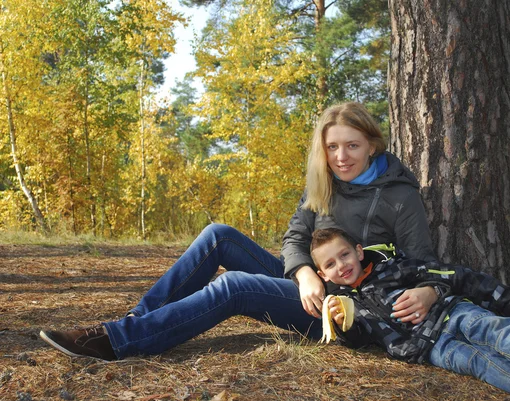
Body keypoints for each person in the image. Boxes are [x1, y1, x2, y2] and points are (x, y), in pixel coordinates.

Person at [39, 102, 439, 361]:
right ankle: (139, 322)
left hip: (346, 308)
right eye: (332, 148)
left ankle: (116, 341)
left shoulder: (399, 196)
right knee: (219, 234)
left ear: (371, 144)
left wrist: (429, 289)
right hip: (308, 286)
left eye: (351, 146)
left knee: (235, 287)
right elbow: (295, 237)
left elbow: (424, 264)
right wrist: (302, 274)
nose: (340, 157)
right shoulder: (324, 182)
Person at [310, 227, 510, 401]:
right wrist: (342, 324)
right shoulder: (344, 302)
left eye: (344, 255)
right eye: (331, 264)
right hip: (429, 348)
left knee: (489, 327)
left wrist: (504, 297)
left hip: (450, 311)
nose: (341, 266)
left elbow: (445, 274)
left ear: (359, 252)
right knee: (479, 364)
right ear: (323, 275)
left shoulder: (392, 268)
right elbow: (360, 339)